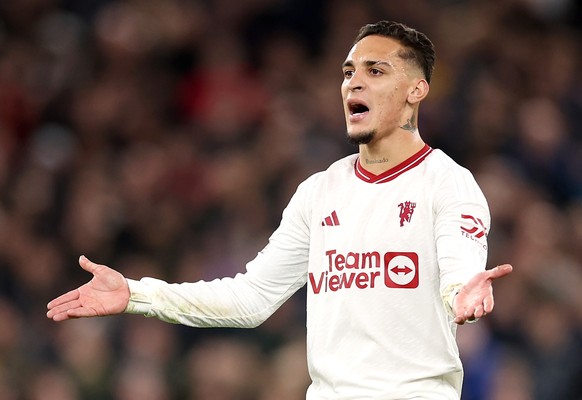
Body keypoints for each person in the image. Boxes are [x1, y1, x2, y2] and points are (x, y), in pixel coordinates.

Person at [47, 21, 513, 399]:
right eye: (349, 71)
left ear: (416, 90)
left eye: (375, 71)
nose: (354, 82)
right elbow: (250, 299)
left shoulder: (448, 183)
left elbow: (460, 267)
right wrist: (136, 294)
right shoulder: (319, 191)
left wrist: (461, 295)